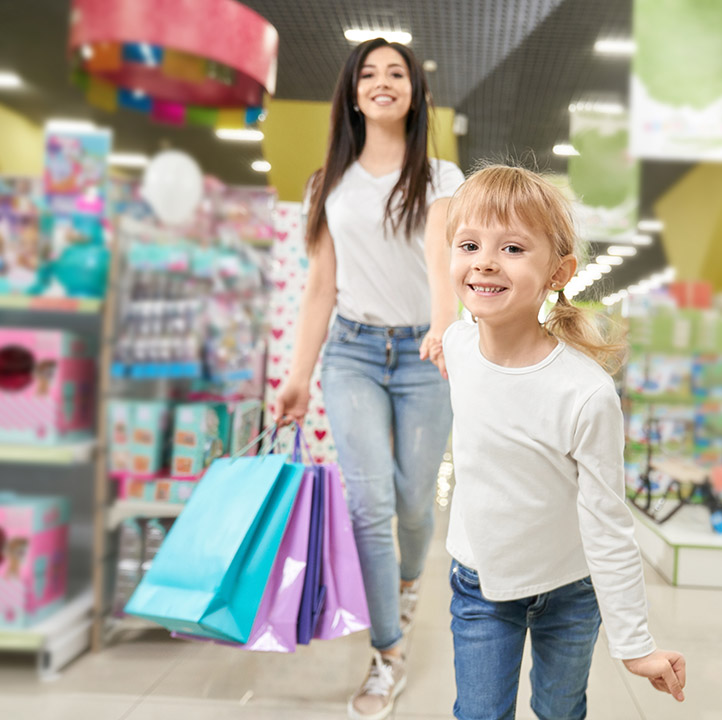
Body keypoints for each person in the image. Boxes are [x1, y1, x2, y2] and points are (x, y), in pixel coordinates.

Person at [437, 165, 687, 720]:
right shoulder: (456, 345)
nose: (484, 261)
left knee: (560, 710)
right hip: (481, 585)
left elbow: (607, 521)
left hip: (570, 590)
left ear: (558, 271)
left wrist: (636, 642)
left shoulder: (585, 393)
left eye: (512, 248)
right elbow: (455, 353)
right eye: (470, 244)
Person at [273, 37, 464, 720]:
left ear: (414, 92)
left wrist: (444, 329)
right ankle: (387, 654)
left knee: (415, 504)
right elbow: (320, 286)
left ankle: (408, 582)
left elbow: (443, 264)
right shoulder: (328, 183)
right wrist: (298, 376)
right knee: (368, 504)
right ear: (352, 93)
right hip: (350, 353)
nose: (383, 82)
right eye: (369, 74)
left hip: (423, 355)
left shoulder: (443, 178)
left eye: (396, 73)